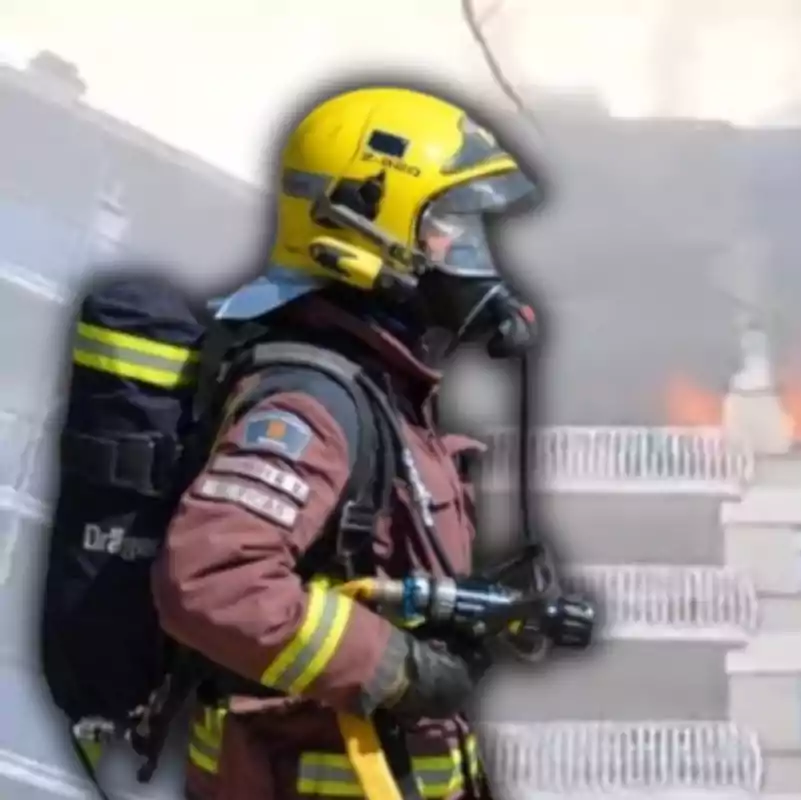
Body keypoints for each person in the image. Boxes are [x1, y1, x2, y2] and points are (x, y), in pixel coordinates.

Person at [150, 85, 542, 800]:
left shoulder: (383, 391)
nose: (476, 260)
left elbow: (369, 573)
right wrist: (397, 667)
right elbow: (217, 582)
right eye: (452, 229)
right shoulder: (311, 399)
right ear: (366, 223)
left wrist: (480, 618)